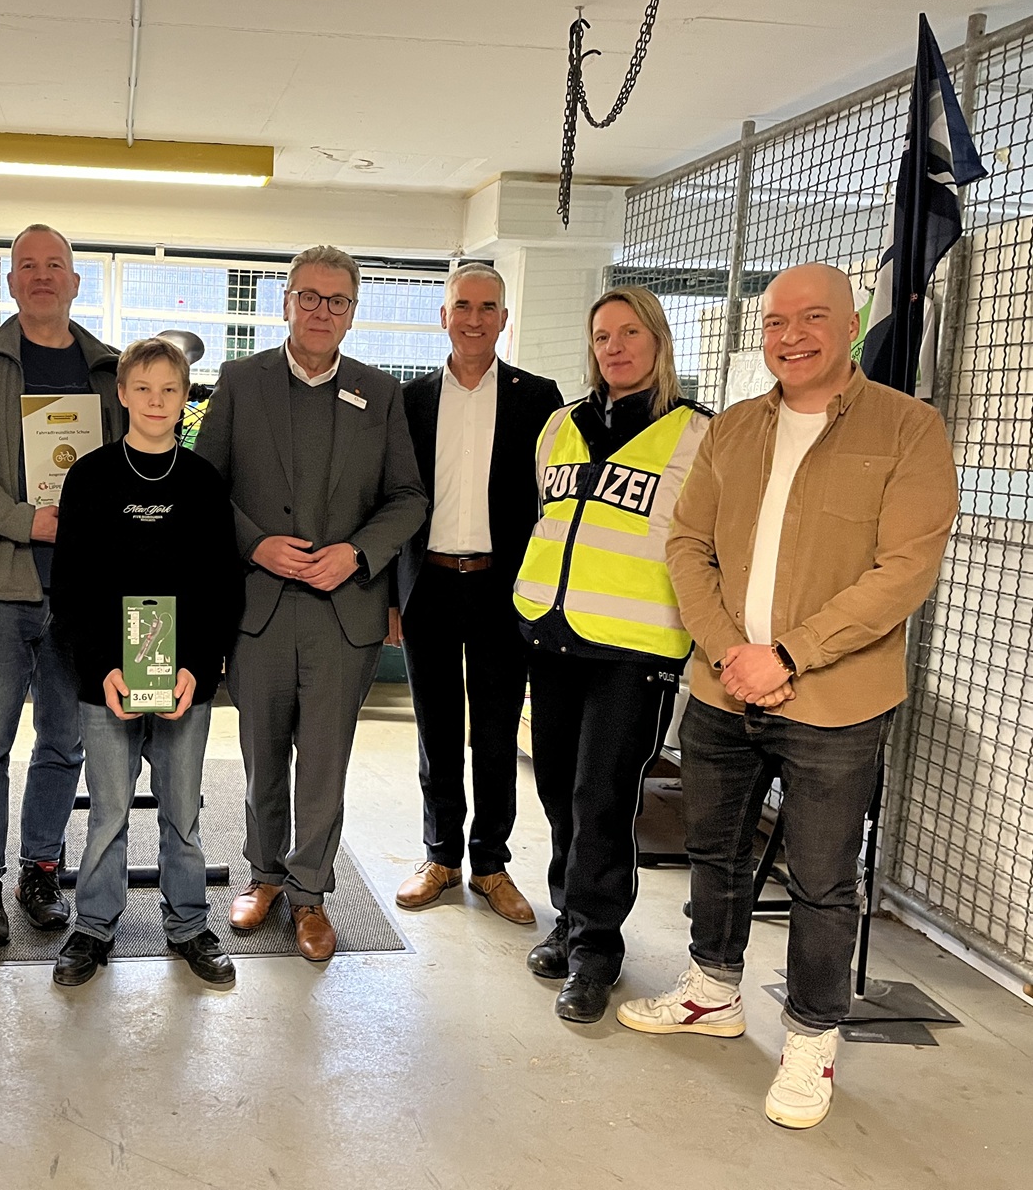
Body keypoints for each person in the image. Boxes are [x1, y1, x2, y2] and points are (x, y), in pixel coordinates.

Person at [618, 264, 958, 1129]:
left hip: (837, 699)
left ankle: (811, 1034)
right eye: (775, 321)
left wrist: (789, 655)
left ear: (850, 326)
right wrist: (728, 650)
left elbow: (905, 569)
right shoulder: (734, 428)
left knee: (822, 876)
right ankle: (712, 989)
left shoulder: (908, 428)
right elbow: (687, 543)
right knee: (714, 849)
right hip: (723, 685)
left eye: (812, 318)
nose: (791, 335)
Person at [194, 245, 427, 962]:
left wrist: (356, 552)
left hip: (342, 611)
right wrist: (255, 544)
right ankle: (263, 874)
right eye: (309, 296)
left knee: (324, 763)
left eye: (337, 300)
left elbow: (408, 498)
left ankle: (310, 894)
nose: (322, 311)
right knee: (262, 757)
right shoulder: (241, 381)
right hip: (259, 606)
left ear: (352, 313)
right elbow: (204, 486)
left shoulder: (379, 392)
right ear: (286, 302)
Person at [512, 285, 712, 1023]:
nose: (615, 347)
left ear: (658, 340)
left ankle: (597, 948)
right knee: (557, 786)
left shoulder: (697, 433)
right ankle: (569, 916)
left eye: (630, 333)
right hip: (553, 636)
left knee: (603, 796)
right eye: (602, 336)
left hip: (635, 649)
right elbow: (546, 518)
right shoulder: (560, 425)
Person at [0, 224, 123, 948]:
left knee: (64, 741)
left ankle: (41, 867)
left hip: (82, 592)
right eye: (27, 266)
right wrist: (24, 520)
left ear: (75, 281)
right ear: (10, 282)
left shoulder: (109, 369)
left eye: (55, 265)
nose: (42, 276)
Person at [48, 338, 244, 988]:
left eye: (169, 390)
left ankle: (188, 923)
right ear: (122, 393)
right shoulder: (90, 477)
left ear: (185, 398)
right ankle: (94, 925)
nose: (156, 401)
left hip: (184, 679)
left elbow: (222, 587)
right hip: (107, 679)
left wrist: (196, 668)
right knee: (108, 811)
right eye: (144, 388)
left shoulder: (203, 483)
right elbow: (71, 587)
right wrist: (103, 666)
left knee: (181, 810)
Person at [391, 263, 563, 922]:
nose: (474, 318)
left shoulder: (539, 398)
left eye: (488, 307)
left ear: (503, 319)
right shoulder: (409, 400)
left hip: (502, 588)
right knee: (436, 731)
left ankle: (490, 862)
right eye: (462, 305)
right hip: (428, 584)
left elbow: (552, 501)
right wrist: (390, 598)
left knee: (495, 735)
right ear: (443, 316)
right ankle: (441, 856)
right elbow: (392, 501)